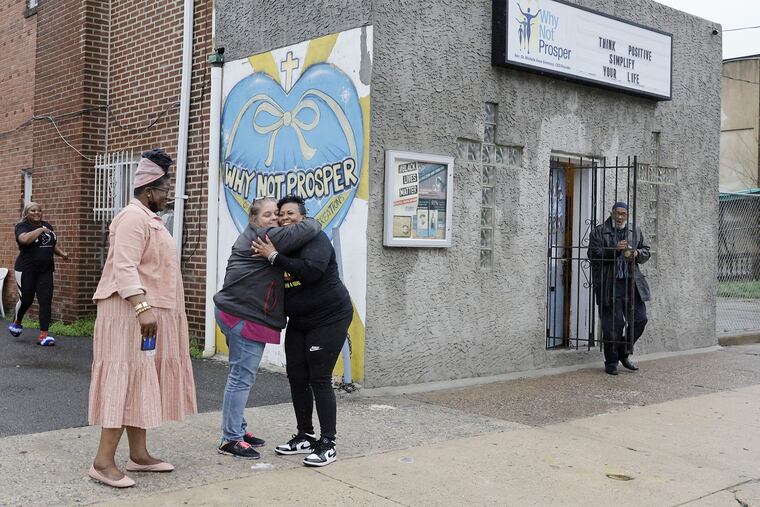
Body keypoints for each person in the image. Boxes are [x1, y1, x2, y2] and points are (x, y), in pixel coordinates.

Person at [87, 149, 197, 488]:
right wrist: (140, 306)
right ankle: (103, 462)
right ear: (150, 190)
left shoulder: (149, 219)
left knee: (140, 378)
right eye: (165, 191)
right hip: (128, 313)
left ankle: (139, 455)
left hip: (147, 311)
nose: (168, 197)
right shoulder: (132, 218)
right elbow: (124, 266)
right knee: (125, 378)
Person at [213, 197, 321, 459]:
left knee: (238, 376)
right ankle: (231, 438)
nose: (274, 219)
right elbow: (308, 229)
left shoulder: (255, 234)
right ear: (254, 220)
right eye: (268, 215)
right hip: (244, 317)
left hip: (233, 311)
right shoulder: (265, 237)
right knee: (241, 378)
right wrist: (309, 218)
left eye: (277, 215)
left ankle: (237, 428)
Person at [253, 195, 353, 467]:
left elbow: (311, 272)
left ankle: (328, 443)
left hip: (330, 316)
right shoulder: (281, 243)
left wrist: (274, 257)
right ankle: (305, 435)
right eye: (280, 214)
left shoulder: (314, 239)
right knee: (297, 376)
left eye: (290, 214)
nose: (284, 218)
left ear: (303, 217)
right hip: (299, 319)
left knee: (319, 378)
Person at [588, 201, 651, 376]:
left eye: (623, 214)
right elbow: (593, 254)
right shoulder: (599, 232)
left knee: (640, 319)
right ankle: (611, 361)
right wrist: (614, 250)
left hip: (632, 284)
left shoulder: (634, 230)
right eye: (617, 213)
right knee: (613, 325)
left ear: (627, 215)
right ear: (612, 213)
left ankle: (623, 352)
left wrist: (638, 254)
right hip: (610, 283)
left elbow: (646, 250)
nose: (620, 217)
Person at [8, 202, 69, 346]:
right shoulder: (22, 226)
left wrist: (62, 254)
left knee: (46, 300)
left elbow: (51, 245)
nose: (37, 213)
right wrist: (40, 230)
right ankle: (17, 321)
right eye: (33, 210)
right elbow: (24, 239)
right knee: (26, 299)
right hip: (26, 269)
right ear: (26, 213)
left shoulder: (47, 225)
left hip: (46, 270)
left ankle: (44, 335)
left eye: (39, 210)